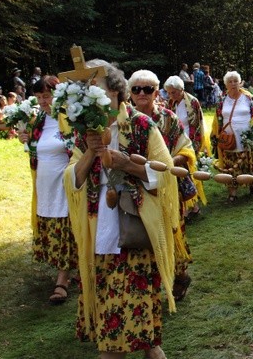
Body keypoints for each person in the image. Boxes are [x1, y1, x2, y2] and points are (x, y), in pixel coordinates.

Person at [63, 60, 180, 359]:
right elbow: (73, 180)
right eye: (89, 97)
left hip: (135, 233)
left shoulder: (141, 125)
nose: (98, 104)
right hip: (100, 233)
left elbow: (165, 173)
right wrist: (91, 151)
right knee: (129, 334)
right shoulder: (85, 134)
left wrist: (126, 163)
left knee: (129, 338)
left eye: (101, 95)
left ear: (117, 93)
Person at [127, 70, 196, 302]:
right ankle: (151, 284)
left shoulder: (168, 119)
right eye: (136, 89)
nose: (142, 93)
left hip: (165, 189)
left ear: (156, 92)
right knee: (141, 235)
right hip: (134, 189)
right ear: (130, 93)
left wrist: (165, 167)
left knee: (172, 231)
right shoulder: (123, 122)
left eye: (148, 89)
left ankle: (179, 275)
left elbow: (186, 150)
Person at [16, 76, 77, 304]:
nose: (42, 101)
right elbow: (35, 150)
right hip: (44, 185)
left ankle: (62, 280)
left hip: (64, 184)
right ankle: (69, 270)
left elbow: (77, 148)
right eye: (39, 96)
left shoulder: (69, 117)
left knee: (66, 227)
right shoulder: (38, 120)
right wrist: (26, 138)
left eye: (47, 95)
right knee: (53, 225)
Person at [210, 70, 253, 202]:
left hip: (246, 137)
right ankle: (232, 192)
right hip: (228, 138)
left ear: (240, 83)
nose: (233, 83)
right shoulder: (222, 99)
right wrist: (216, 134)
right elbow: (218, 118)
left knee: (249, 162)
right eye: (230, 81)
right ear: (226, 84)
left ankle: (252, 184)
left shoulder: (248, 97)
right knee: (230, 164)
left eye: (236, 81)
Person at [163, 74, 210, 218]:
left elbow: (197, 125)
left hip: (189, 143)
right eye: (169, 93)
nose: (171, 95)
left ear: (181, 89)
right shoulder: (170, 103)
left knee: (189, 174)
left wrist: (195, 146)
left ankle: (192, 206)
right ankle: (191, 207)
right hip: (175, 144)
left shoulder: (193, 102)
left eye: (174, 92)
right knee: (182, 175)